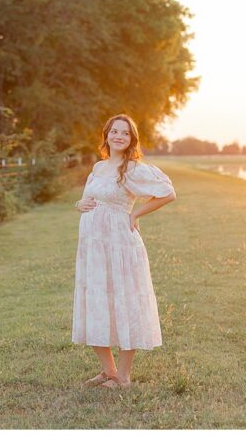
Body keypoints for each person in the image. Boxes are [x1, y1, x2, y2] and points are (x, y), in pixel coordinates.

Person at [73, 114, 177, 389]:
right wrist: (79, 205)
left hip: (120, 243)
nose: (119, 136)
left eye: (125, 133)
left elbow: (168, 193)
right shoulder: (97, 168)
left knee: (125, 301)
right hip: (93, 246)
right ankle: (109, 371)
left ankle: (124, 377)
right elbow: (87, 198)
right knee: (97, 301)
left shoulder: (133, 169)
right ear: (106, 135)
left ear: (131, 139)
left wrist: (136, 214)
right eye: (115, 131)